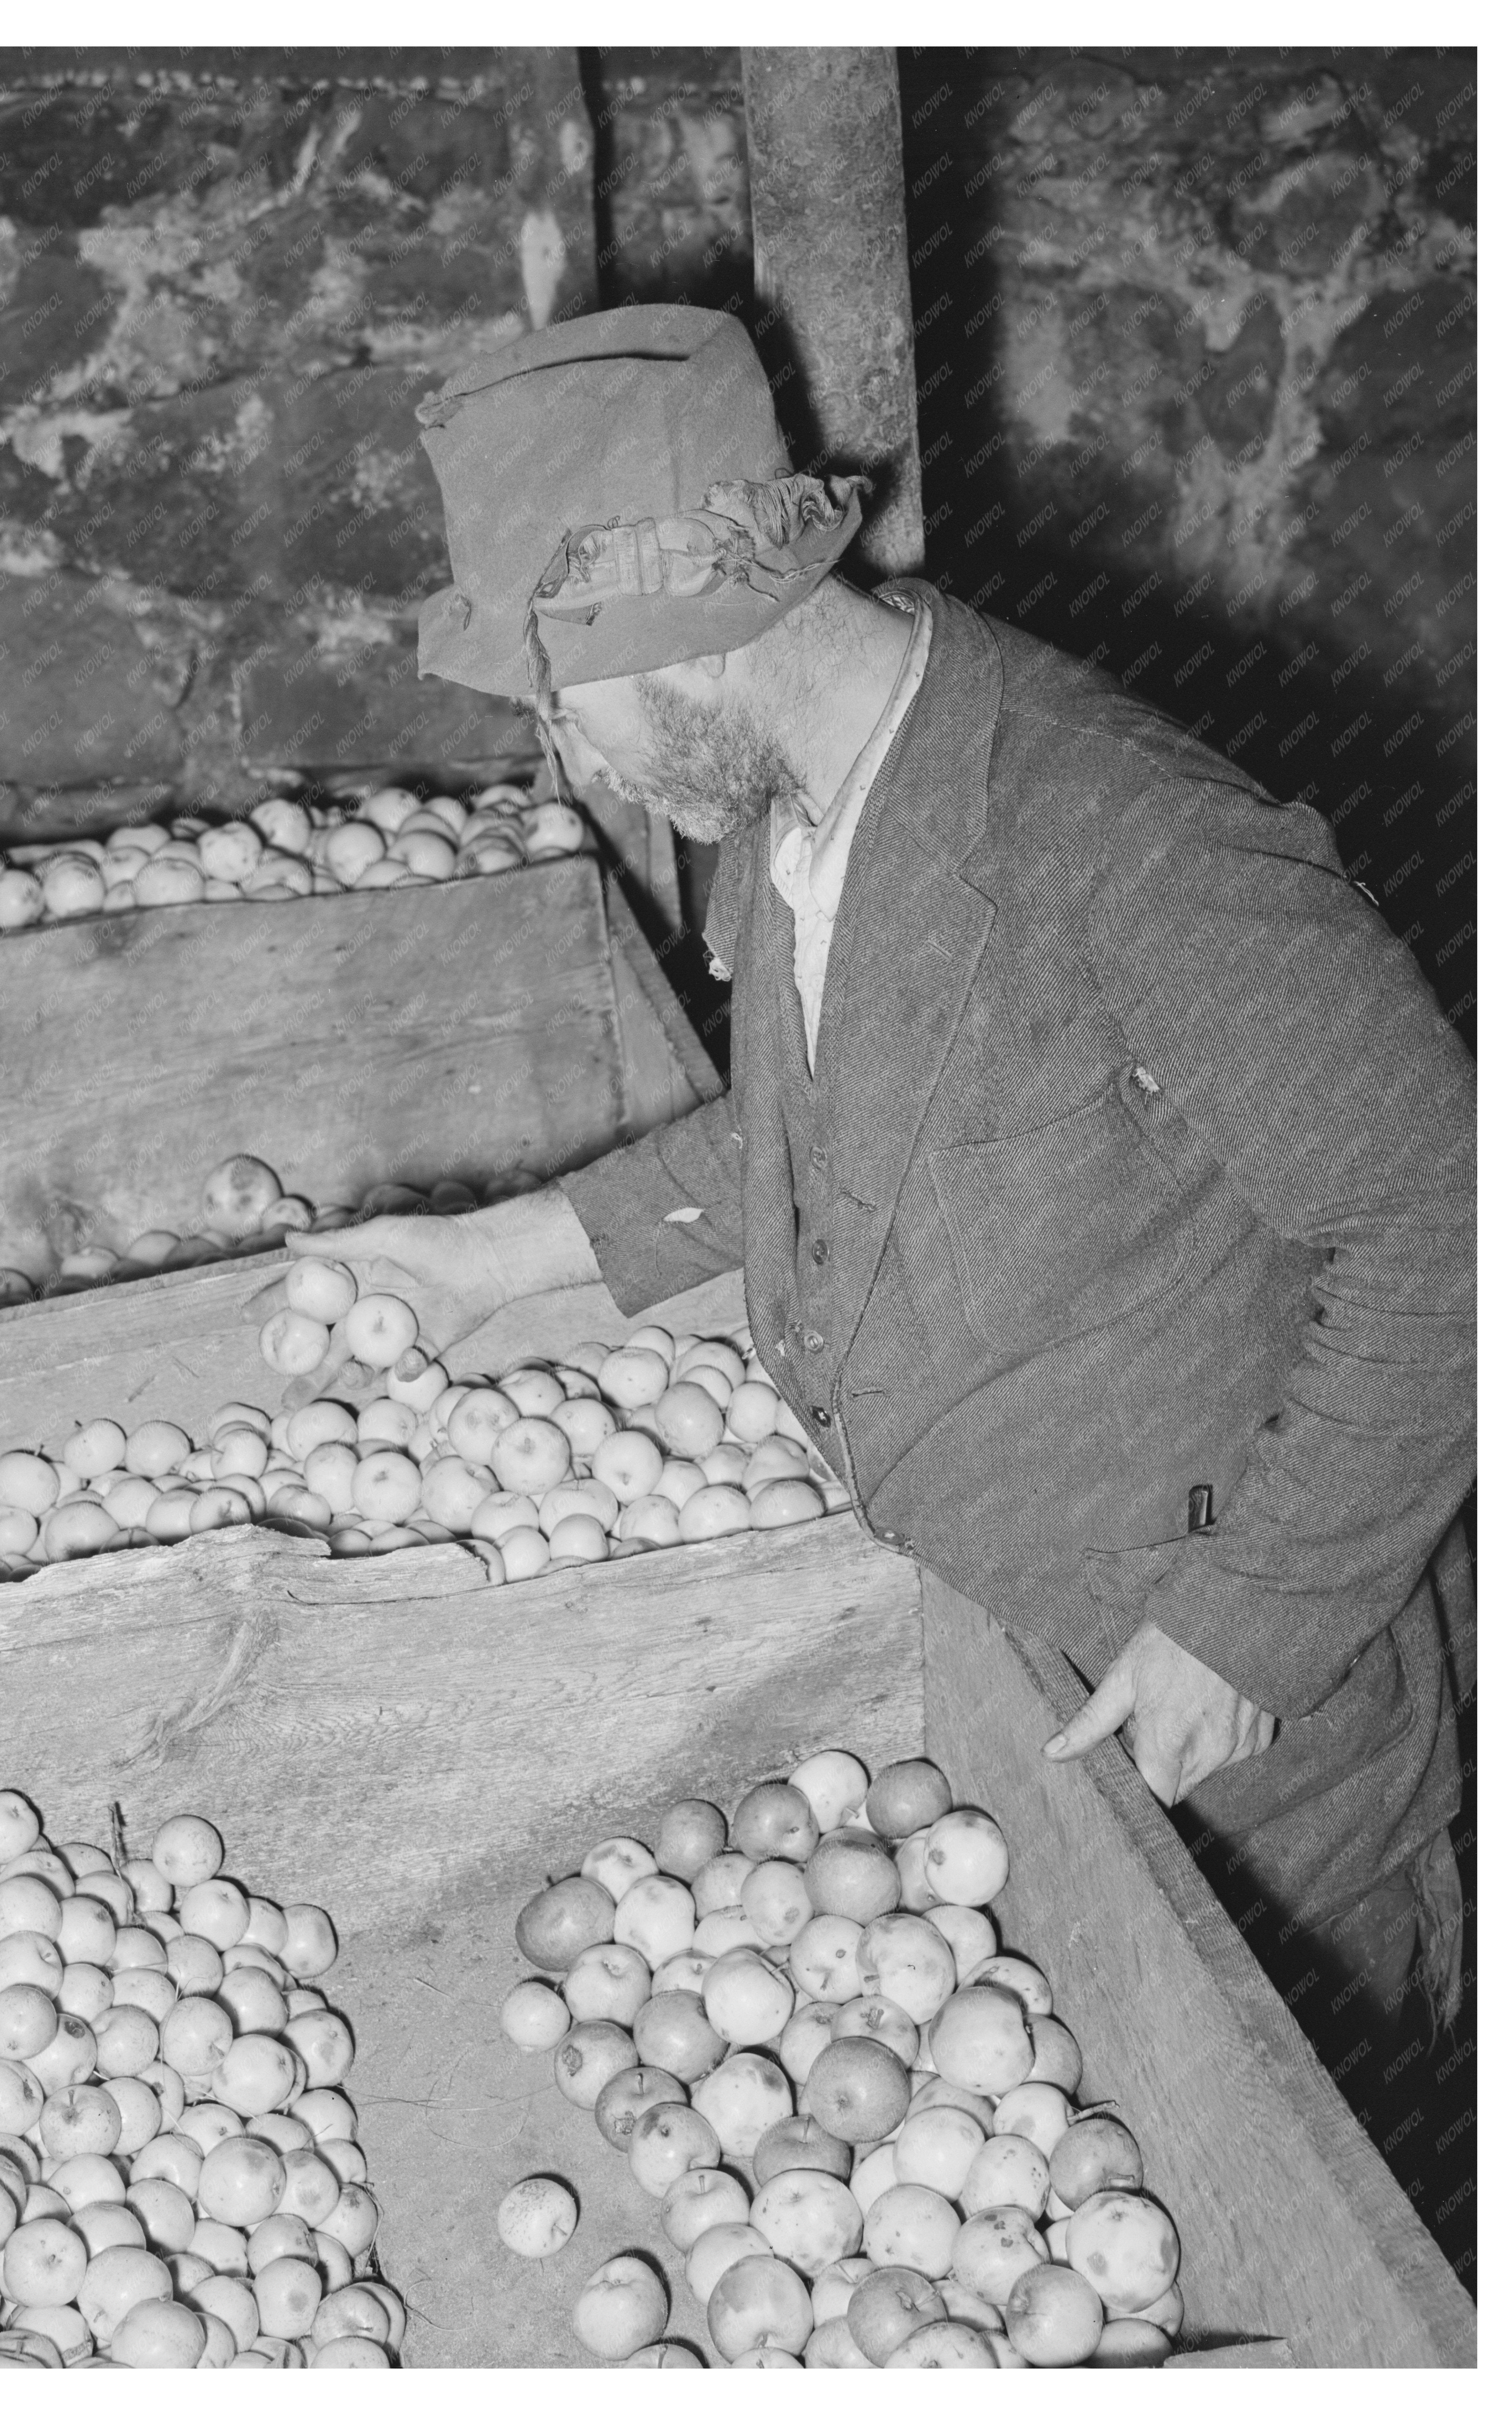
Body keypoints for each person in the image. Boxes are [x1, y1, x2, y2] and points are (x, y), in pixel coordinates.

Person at [256, 304, 1475, 2061]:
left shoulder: (1119, 838)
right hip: (1031, 1694)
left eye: (562, 698)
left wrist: (1248, 1629)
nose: (570, 760)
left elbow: (1449, 1219)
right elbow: (812, 1131)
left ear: (686, 628)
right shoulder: (810, 805)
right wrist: (486, 1262)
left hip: (1246, 1765)